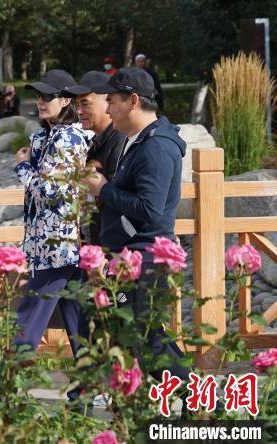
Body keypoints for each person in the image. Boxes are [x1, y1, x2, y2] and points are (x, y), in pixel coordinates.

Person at [85, 67, 191, 383]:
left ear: (133, 101)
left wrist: (104, 190)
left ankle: (200, 399)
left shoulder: (157, 146)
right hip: (133, 257)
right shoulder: (140, 140)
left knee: (145, 339)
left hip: (146, 257)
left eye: (111, 101)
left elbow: (150, 208)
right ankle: (194, 398)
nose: (107, 109)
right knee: (141, 336)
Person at [12, 69, 90, 359]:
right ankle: (95, 376)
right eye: (38, 96)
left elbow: (49, 192)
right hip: (49, 241)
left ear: (66, 100)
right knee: (77, 316)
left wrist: (23, 167)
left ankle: (4, 374)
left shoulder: (69, 138)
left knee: (30, 312)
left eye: (48, 96)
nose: (40, 101)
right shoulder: (45, 136)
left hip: (60, 243)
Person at [65, 71, 125, 245]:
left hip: (116, 247)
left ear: (108, 102)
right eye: (77, 105)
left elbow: (120, 201)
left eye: (85, 103)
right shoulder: (97, 142)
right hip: (98, 241)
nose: (79, 111)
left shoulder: (120, 141)